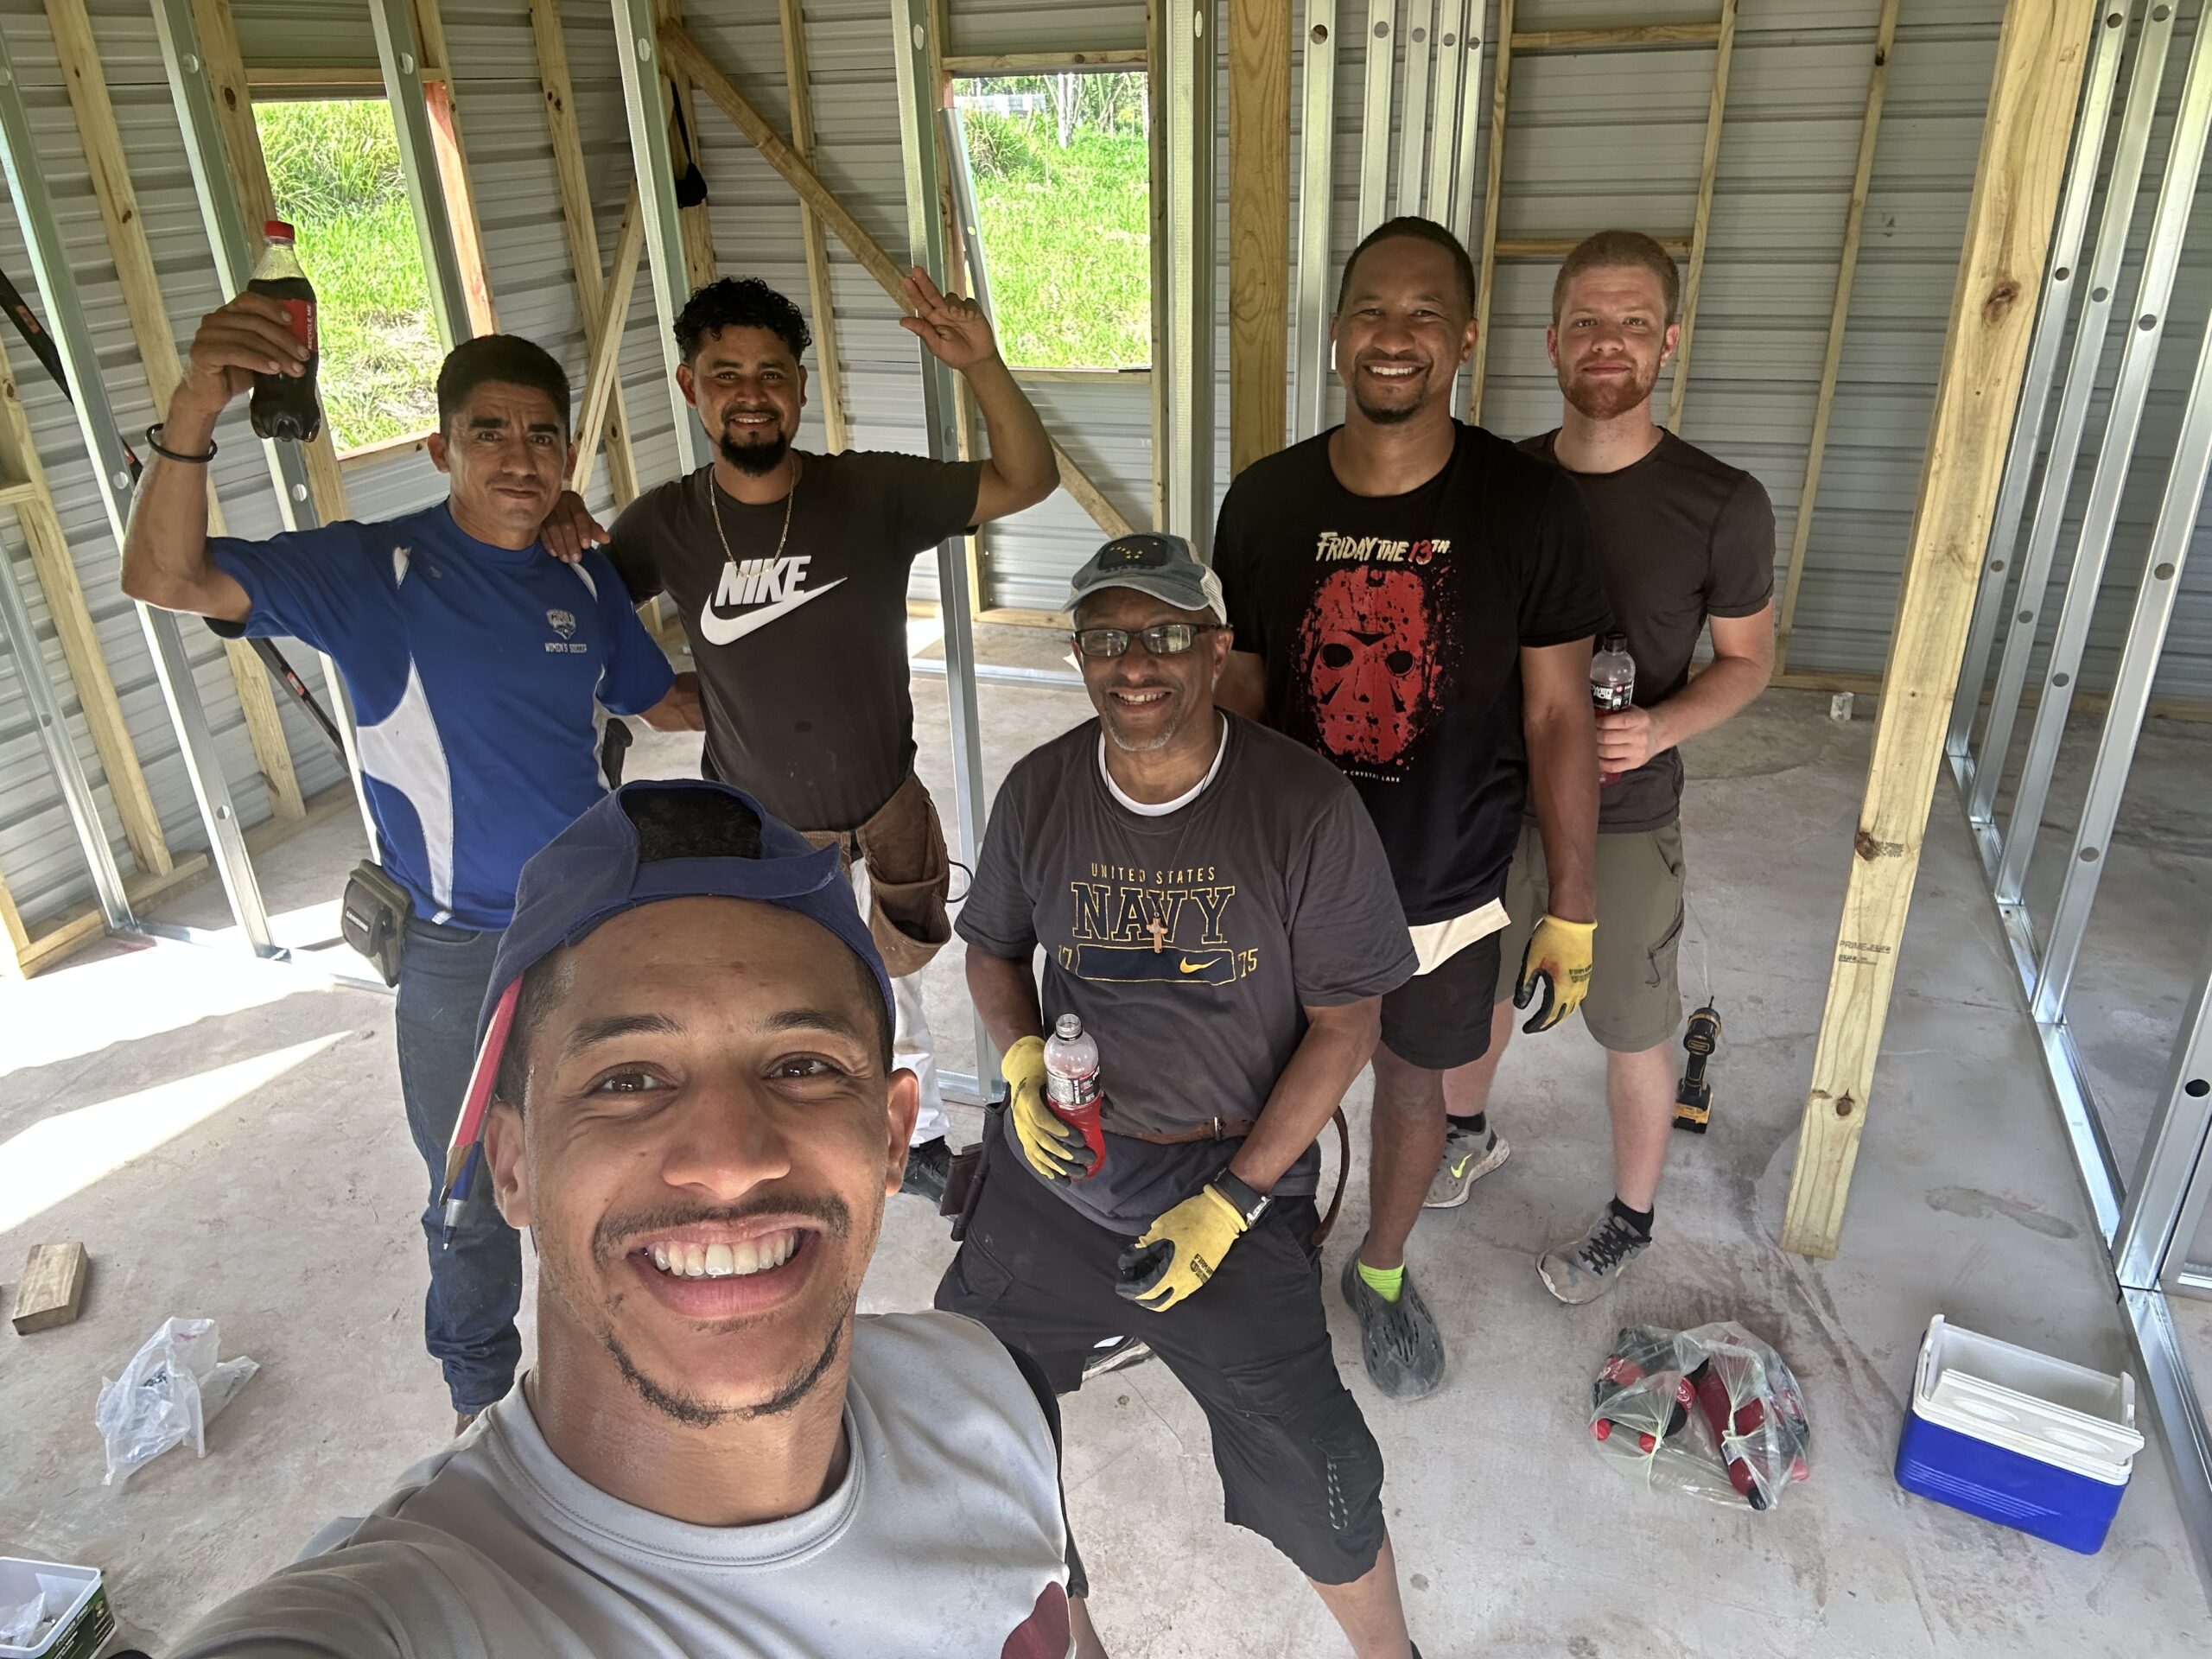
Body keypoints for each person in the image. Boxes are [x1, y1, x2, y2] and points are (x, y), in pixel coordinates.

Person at [168, 779, 1100, 1656]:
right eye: (627, 1081)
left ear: (893, 1137)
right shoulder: (416, 1611)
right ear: (513, 1167)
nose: (730, 1162)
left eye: (802, 1066)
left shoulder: (992, 1393)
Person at [120, 306, 699, 1429]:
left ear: (567, 454)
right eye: (490, 433)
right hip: (457, 949)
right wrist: (195, 407)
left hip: (595, 929)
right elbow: (164, 574)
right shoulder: (372, 572)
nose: (520, 458)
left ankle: (630, 1374)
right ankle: (479, 1408)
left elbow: (659, 700)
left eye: (542, 435)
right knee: (469, 1192)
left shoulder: (581, 575)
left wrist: (805, 703)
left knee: (624, 1160)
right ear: (440, 448)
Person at [939, 532, 1427, 1659]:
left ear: (1214, 651)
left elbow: (1349, 1021)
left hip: (1229, 1179)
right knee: (972, 1415)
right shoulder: (1042, 790)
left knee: (1320, 1468)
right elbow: (993, 947)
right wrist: (1020, 1063)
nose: (1135, 663)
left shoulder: (1301, 806)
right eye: (1105, 639)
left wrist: (1237, 1198)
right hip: (1064, 1167)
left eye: (1164, 634)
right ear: (1078, 656)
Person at [541, 272, 1059, 1201]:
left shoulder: (868, 492)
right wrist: (559, 535)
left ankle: (917, 1140)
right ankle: (796, 1138)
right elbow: (575, 615)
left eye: (772, 373)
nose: (751, 394)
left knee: (892, 984)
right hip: (762, 827)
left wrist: (982, 364)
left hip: (885, 808)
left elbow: (1028, 478)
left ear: (801, 388)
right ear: (690, 386)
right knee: (779, 995)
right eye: (725, 373)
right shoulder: (668, 521)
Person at [1212, 215, 1611, 1400]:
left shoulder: (1528, 506)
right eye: (1372, 312)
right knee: (1258, 1080)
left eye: (1425, 313)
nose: (1395, 336)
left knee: (1414, 1083)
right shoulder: (1265, 500)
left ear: (1468, 337)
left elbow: (1558, 715)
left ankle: (1379, 1272)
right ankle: (1261, 1258)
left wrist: (1573, 906)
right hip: (1284, 880)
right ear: (1338, 335)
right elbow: (1240, 687)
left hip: (1445, 875)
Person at [1440, 230, 1776, 1303]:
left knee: (1632, 1024)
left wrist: (1662, 727)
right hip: (1494, 803)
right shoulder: (1493, 482)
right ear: (1551, 341)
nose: (1607, 342)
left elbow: (1750, 661)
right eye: (1585, 321)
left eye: (1633, 322)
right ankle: (1463, 1134)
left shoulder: (1721, 501)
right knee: (1474, 989)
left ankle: (1630, 1219)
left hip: (1626, 813)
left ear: (1668, 341)